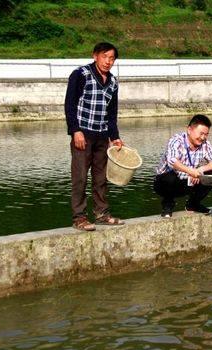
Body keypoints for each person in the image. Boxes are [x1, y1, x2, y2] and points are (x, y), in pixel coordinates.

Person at [65, 42, 125, 231]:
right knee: (80, 177)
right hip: (83, 135)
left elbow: (111, 112)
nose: (108, 61)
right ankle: (79, 218)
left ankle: (101, 214)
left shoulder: (113, 82)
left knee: (100, 178)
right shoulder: (81, 74)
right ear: (95, 56)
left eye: (112, 58)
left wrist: (114, 137)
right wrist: (75, 131)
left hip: (102, 137)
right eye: (105, 56)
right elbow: (70, 105)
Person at [154, 114, 212, 217]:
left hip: (190, 180)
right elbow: (172, 161)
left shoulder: (205, 143)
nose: (203, 137)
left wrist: (200, 170)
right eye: (201, 133)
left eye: (206, 134)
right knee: (169, 177)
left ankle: (193, 204)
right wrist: (191, 172)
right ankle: (168, 204)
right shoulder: (176, 140)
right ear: (189, 130)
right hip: (167, 183)